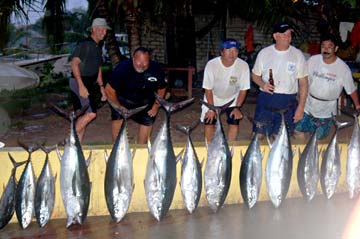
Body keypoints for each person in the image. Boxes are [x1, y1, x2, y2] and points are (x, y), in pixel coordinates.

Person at [295, 33, 360, 139]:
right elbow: (303, 80)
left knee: (318, 138)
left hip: (326, 111)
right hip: (308, 105)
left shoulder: (343, 68)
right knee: (298, 132)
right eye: (323, 46)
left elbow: (351, 90)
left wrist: (357, 106)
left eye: (329, 47)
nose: (325, 49)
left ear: (336, 48)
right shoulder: (312, 60)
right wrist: (299, 96)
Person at [252, 22, 308, 138]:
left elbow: (303, 83)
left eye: (289, 34)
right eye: (284, 34)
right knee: (258, 136)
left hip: (288, 100)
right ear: (275, 36)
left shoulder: (297, 55)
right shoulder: (264, 53)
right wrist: (263, 85)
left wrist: (301, 107)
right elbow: (255, 75)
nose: (287, 37)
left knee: (284, 137)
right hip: (267, 98)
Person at [105, 47, 166, 144]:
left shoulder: (156, 69)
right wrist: (118, 106)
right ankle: (117, 147)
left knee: (147, 123)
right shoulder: (122, 68)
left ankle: (141, 149)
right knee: (117, 119)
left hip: (146, 101)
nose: (142, 65)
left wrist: (156, 105)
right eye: (139, 61)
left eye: (145, 62)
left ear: (149, 60)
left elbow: (162, 89)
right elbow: (109, 90)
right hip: (123, 99)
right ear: (133, 59)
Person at [200, 38, 250, 143]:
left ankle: (230, 147)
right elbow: (208, 89)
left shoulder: (243, 66)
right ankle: (209, 147)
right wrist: (211, 109)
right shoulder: (212, 65)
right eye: (229, 50)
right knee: (209, 120)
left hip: (232, 99)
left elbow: (243, 89)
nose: (232, 53)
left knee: (234, 119)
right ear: (222, 52)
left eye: (235, 50)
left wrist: (237, 107)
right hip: (213, 97)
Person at [69, 18, 110, 143]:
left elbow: (98, 68)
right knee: (91, 114)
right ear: (93, 30)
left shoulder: (98, 46)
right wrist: (81, 86)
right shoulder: (85, 44)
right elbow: (74, 64)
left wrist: (101, 87)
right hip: (79, 82)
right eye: (101, 29)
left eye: (105, 30)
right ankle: (69, 141)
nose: (104, 32)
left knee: (82, 117)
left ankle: (77, 148)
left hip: (90, 83)